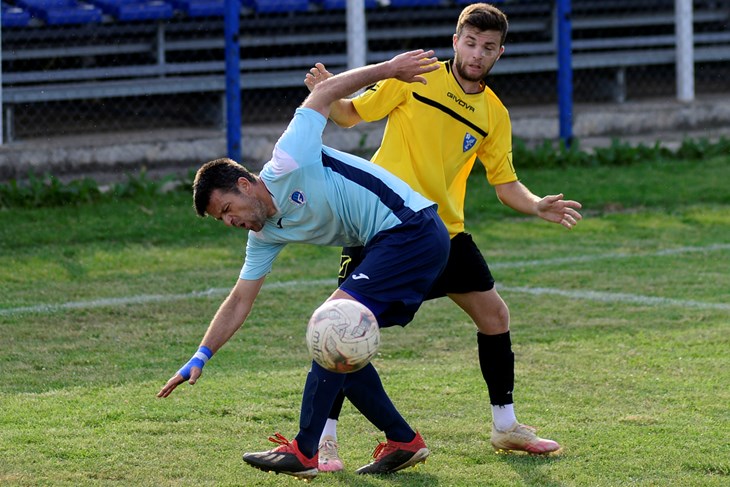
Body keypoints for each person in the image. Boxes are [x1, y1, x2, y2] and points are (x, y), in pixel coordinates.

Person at [305, 3, 583, 472]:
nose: (477, 54)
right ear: (456, 41)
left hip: (444, 231)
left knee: (494, 315)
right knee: (340, 327)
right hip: (383, 224)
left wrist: (535, 204)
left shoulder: (494, 113)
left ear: (500, 53)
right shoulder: (415, 76)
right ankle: (326, 441)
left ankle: (505, 425)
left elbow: (505, 183)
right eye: (470, 43)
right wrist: (326, 91)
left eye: (488, 47)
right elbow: (351, 115)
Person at [156, 49, 452, 481]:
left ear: (245, 184)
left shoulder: (287, 159)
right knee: (339, 344)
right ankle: (402, 440)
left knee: (330, 328)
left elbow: (327, 91)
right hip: (383, 243)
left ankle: (305, 450)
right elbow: (240, 299)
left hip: (411, 228)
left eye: (227, 209)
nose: (231, 221)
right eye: (222, 220)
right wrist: (200, 355)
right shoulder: (264, 233)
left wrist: (390, 70)